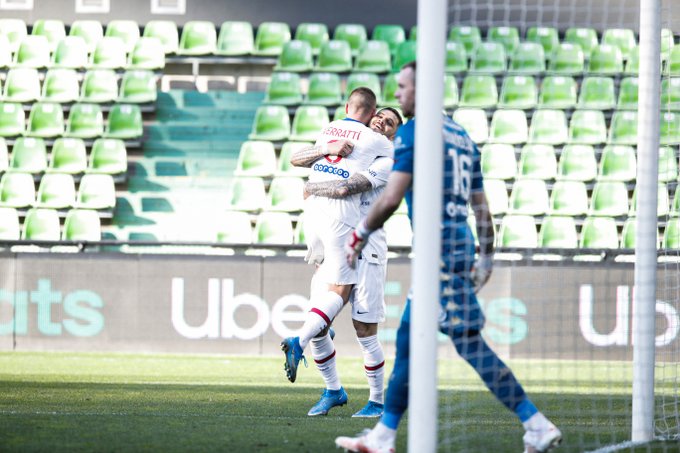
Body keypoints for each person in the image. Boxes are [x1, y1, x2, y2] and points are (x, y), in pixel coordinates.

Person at [335, 62, 562, 453]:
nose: (399, 94)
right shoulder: (462, 137)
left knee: (470, 344)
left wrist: (360, 233)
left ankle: (536, 423)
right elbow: (482, 209)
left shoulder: (413, 134)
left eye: (404, 88)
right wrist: (486, 257)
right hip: (456, 248)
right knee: (406, 341)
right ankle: (383, 436)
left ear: (421, 91)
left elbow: (391, 197)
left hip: (438, 256)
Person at [280, 88, 393, 407]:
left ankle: (376, 401)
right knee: (318, 320)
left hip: (368, 247)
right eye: (380, 117)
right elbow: (300, 159)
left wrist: (312, 187)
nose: (381, 124)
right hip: (336, 230)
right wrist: (327, 148)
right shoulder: (347, 137)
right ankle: (333, 390)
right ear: (369, 114)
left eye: (389, 124)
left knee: (364, 330)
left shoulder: (387, 159)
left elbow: (346, 188)